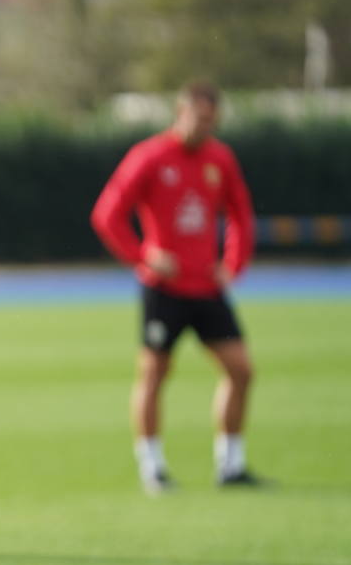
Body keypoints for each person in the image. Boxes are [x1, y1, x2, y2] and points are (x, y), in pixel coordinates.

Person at [90, 81, 262, 493]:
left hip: (207, 286)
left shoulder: (220, 158)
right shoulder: (150, 156)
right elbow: (107, 214)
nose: (204, 127)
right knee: (154, 374)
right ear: (180, 113)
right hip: (164, 288)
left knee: (241, 370)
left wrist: (233, 264)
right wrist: (142, 255)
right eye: (198, 118)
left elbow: (240, 214)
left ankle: (231, 464)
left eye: (211, 120)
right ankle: (152, 467)